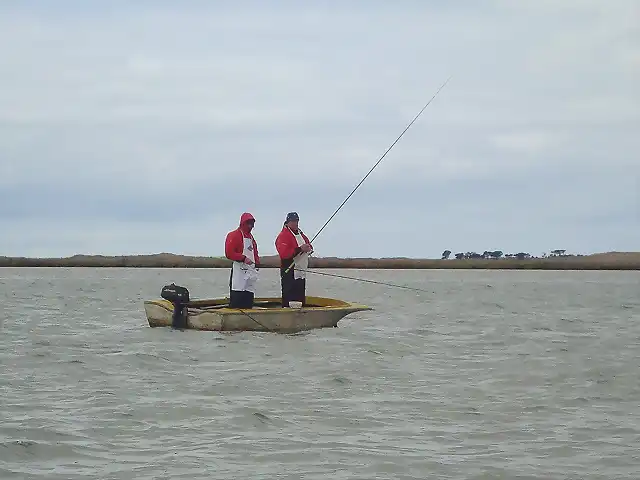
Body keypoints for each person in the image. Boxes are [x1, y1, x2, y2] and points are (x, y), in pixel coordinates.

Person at [275, 212, 313, 307]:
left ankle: (300, 317)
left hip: (301, 271)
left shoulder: (301, 234)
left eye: (296, 221)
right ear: (287, 222)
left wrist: (309, 248)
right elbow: (284, 254)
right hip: (289, 270)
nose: (295, 223)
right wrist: (300, 249)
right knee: (289, 297)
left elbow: (308, 244)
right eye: (293, 221)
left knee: (300, 297)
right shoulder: (283, 235)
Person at [225, 212, 260, 308]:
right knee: (237, 297)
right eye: (249, 223)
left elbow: (255, 253)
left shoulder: (252, 238)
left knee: (249, 297)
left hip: (250, 272)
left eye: (252, 224)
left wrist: (257, 264)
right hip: (239, 272)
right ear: (243, 223)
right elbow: (229, 253)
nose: (251, 226)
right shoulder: (233, 235)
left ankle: (248, 315)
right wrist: (243, 258)